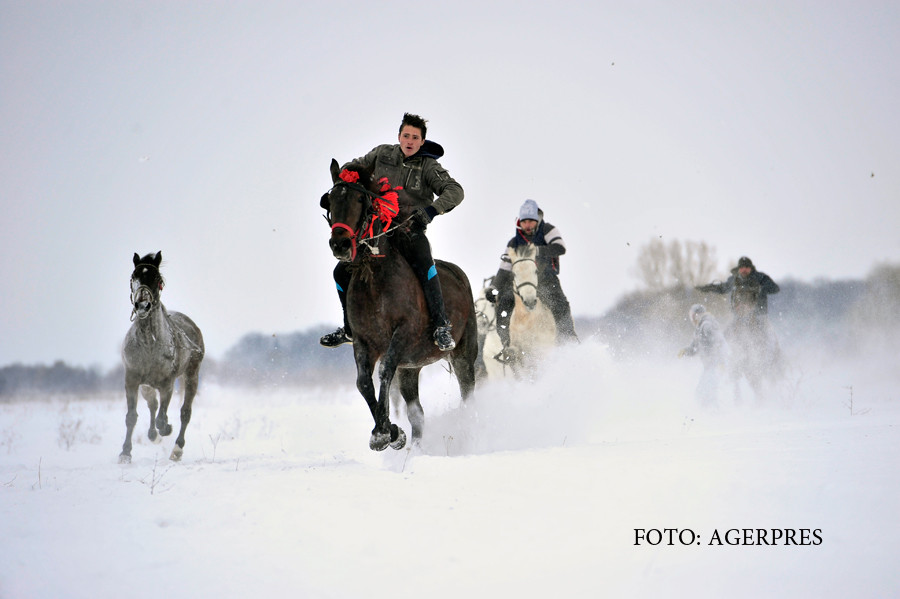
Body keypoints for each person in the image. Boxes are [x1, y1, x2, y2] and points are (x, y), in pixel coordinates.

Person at [320, 113, 464, 351]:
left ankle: (440, 325)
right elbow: (352, 169)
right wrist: (341, 187)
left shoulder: (429, 166)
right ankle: (349, 329)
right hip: (377, 231)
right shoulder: (382, 154)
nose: (409, 140)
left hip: (409, 230)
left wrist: (430, 211)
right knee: (340, 272)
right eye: (406, 135)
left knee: (425, 264)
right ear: (399, 137)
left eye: (415, 137)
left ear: (421, 141)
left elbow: (455, 191)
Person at [486, 199, 578, 356]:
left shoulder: (548, 230)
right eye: (524, 222)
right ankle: (507, 345)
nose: (527, 225)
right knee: (503, 306)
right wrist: (494, 287)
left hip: (546, 279)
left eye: (531, 221)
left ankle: (568, 337)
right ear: (519, 223)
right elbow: (504, 269)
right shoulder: (514, 243)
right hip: (519, 282)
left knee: (560, 303)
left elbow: (560, 247)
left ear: (538, 220)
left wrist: (538, 250)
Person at [696, 256, 779, 328]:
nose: (744, 269)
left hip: (759, 316)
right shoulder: (734, 280)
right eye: (742, 267)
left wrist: (761, 288)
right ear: (739, 269)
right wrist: (708, 288)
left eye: (747, 267)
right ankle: (722, 345)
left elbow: (775, 289)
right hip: (739, 316)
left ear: (751, 268)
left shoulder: (761, 278)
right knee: (727, 334)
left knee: (768, 335)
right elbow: (723, 288)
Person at [678, 304, 730, 407]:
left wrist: (721, 362)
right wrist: (685, 351)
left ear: (697, 314)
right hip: (709, 366)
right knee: (704, 391)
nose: (691, 319)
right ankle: (710, 410)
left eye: (692, 315)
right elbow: (695, 348)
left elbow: (719, 343)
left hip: (714, 365)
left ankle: (712, 411)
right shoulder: (700, 327)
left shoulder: (707, 325)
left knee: (704, 391)